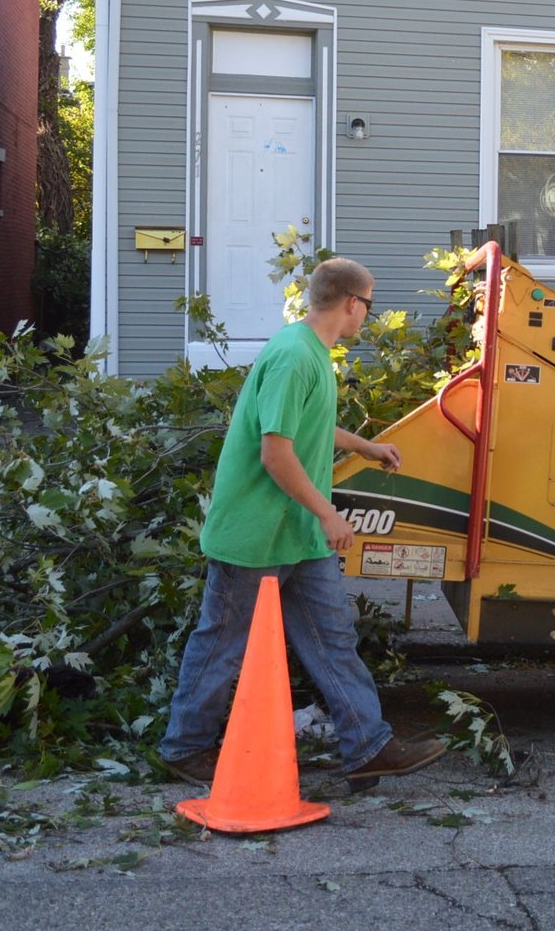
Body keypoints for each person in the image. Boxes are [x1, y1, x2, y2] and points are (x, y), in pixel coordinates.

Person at [158, 257, 444, 792]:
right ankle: (186, 747)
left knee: (333, 641)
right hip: (255, 534)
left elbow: (308, 422)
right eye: (370, 305)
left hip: (296, 535)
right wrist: (328, 512)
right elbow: (275, 454)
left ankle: (369, 747)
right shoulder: (294, 357)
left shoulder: (310, 352)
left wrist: (367, 445)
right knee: (222, 644)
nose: (367, 316)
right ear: (353, 303)